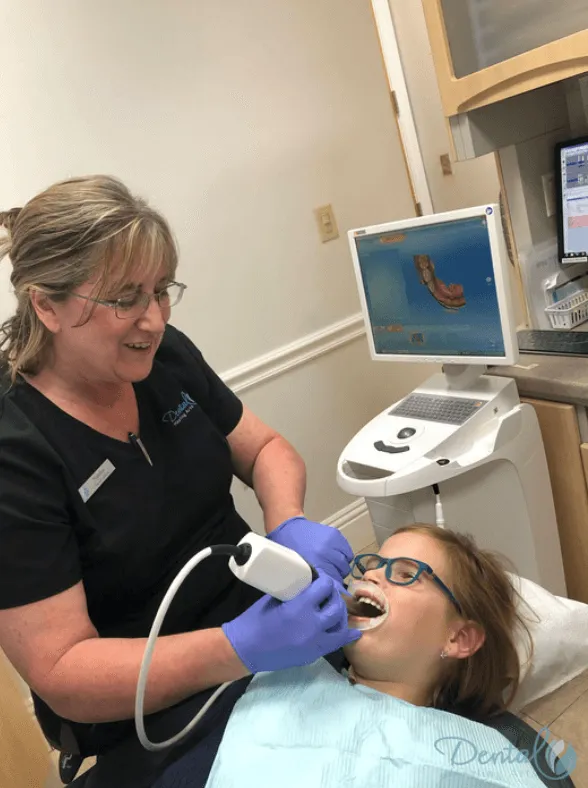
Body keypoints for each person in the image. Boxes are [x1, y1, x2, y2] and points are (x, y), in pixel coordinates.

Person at [0, 175, 360, 764]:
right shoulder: (16, 449)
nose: (154, 319)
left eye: (161, 290)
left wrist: (288, 523)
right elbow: (63, 670)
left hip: (264, 621)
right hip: (154, 709)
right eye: (125, 299)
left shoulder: (163, 358)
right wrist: (238, 648)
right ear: (46, 305)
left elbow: (265, 449)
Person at [154, 524, 552, 788]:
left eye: (405, 574)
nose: (372, 575)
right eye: (371, 565)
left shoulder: (473, 755)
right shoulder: (293, 674)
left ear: (459, 638)